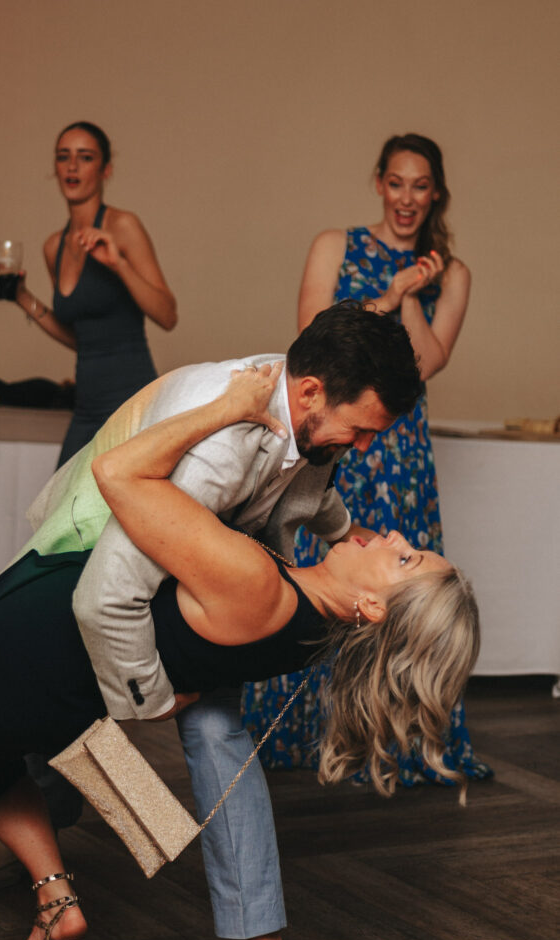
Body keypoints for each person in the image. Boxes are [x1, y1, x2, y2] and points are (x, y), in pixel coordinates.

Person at [0, 365, 479, 940]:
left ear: (368, 607)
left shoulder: (255, 579)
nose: (391, 535)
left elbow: (119, 475)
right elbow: (303, 511)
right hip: (41, 674)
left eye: (403, 559)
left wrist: (225, 408)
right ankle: (57, 902)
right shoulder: (307, 620)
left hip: (20, 660)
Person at [243, 134, 489, 782]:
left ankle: (391, 740)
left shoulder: (451, 273)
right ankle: (297, 734)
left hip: (402, 453)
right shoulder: (335, 244)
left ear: (434, 193)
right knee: (323, 568)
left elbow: (428, 360)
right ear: (379, 182)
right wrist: (388, 288)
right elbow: (311, 335)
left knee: (398, 593)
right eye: (396, 182)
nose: (406, 197)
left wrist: (413, 290)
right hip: (339, 431)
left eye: (420, 186)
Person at [0, 120, 177, 468]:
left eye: (85, 157)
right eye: (64, 157)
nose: (72, 166)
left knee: (118, 519)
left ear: (105, 170)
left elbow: (167, 315)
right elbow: (83, 340)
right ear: (56, 169)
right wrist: (21, 296)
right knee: (62, 517)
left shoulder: (123, 226)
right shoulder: (52, 247)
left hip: (132, 403)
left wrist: (118, 263)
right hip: (86, 408)